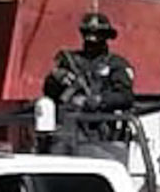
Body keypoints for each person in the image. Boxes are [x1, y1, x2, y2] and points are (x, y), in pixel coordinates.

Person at [41, 11, 137, 157]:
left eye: (97, 34)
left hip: (99, 130)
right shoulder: (70, 61)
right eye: (88, 34)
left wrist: (99, 100)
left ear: (105, 37)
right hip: (68, 129)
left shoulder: (116, 64)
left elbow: (126, 97)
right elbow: (50, 92)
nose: (92, 38)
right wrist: (56, 78)